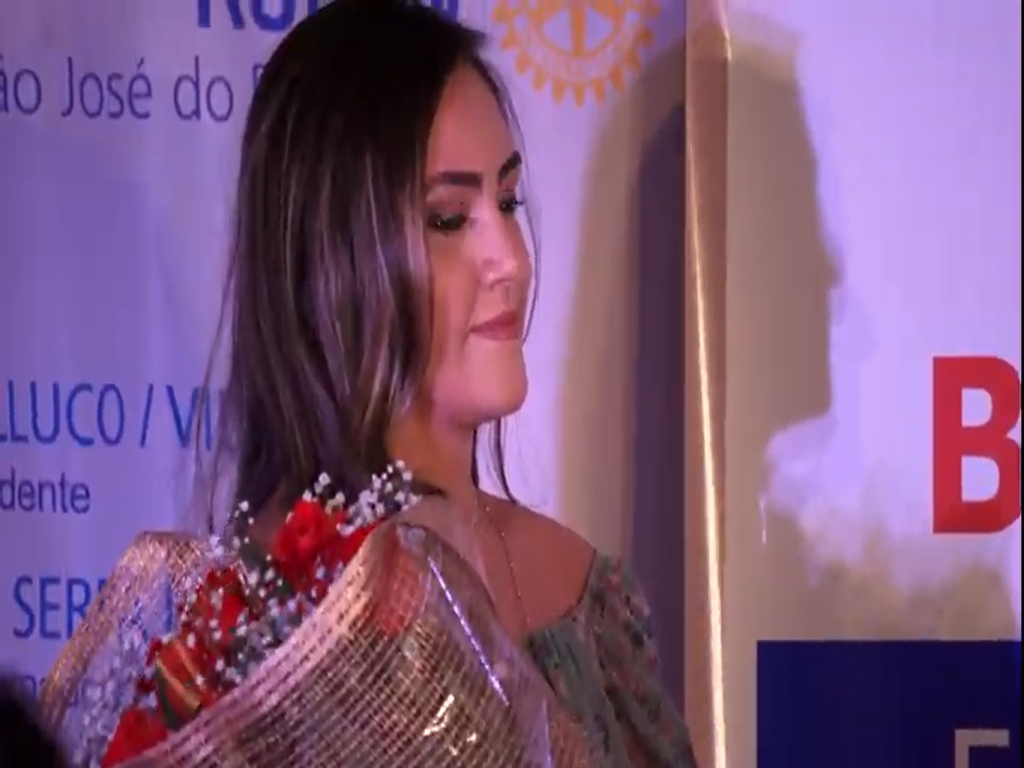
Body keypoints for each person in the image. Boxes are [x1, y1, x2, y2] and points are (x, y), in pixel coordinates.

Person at [42, 2, 697, 766]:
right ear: (334, 260)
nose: (512, 259)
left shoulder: (582, 600)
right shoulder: (242, 641)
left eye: (508, 201)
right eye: (449, 219)